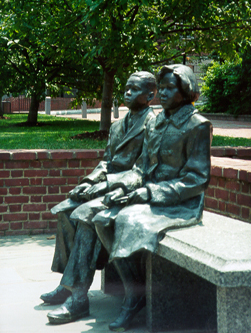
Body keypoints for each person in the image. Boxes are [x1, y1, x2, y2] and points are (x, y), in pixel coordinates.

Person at [93, 64, 212, 331]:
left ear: (186, 90)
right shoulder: (157, 121)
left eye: (172, 88)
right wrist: (124, 189)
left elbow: (197, 180)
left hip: (181, 203)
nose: (164, 93)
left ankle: (134, 298)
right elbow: (141, 167)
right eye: (164, 88)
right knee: (102, 218)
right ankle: (135, 289)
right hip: (148, 193)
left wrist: (148, 192)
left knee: (127, 222)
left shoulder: (198, 125)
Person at [40, 71, 157, 324]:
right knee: (65, 210)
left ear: (150, 95)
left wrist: (105, 185)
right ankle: (67, 284)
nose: (127, 93)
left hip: (129, 191)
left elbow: (142, 169)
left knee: (84, 215)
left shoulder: (153, 124)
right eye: (126, 88)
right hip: (108, 185)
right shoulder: (116, 126)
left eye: (134, 89)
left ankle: (79, 297)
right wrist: (89, 182)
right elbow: (106, 162)